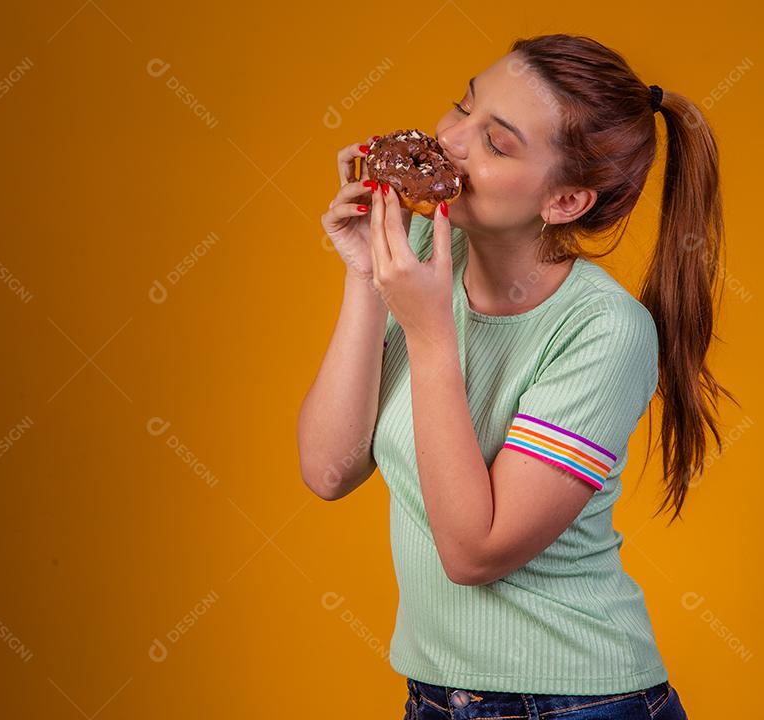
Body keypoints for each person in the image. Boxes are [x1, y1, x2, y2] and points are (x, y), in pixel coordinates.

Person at [300, 33, 736, 720]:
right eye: (460, 107)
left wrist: (429, 333)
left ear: (564, 202)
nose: (451, 140)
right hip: (438, 699)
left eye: (496, 143)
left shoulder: (604, 332)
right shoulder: (420, 258)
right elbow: (329, 470)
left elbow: (475, 553)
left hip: (576, 702)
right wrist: (365, 275)